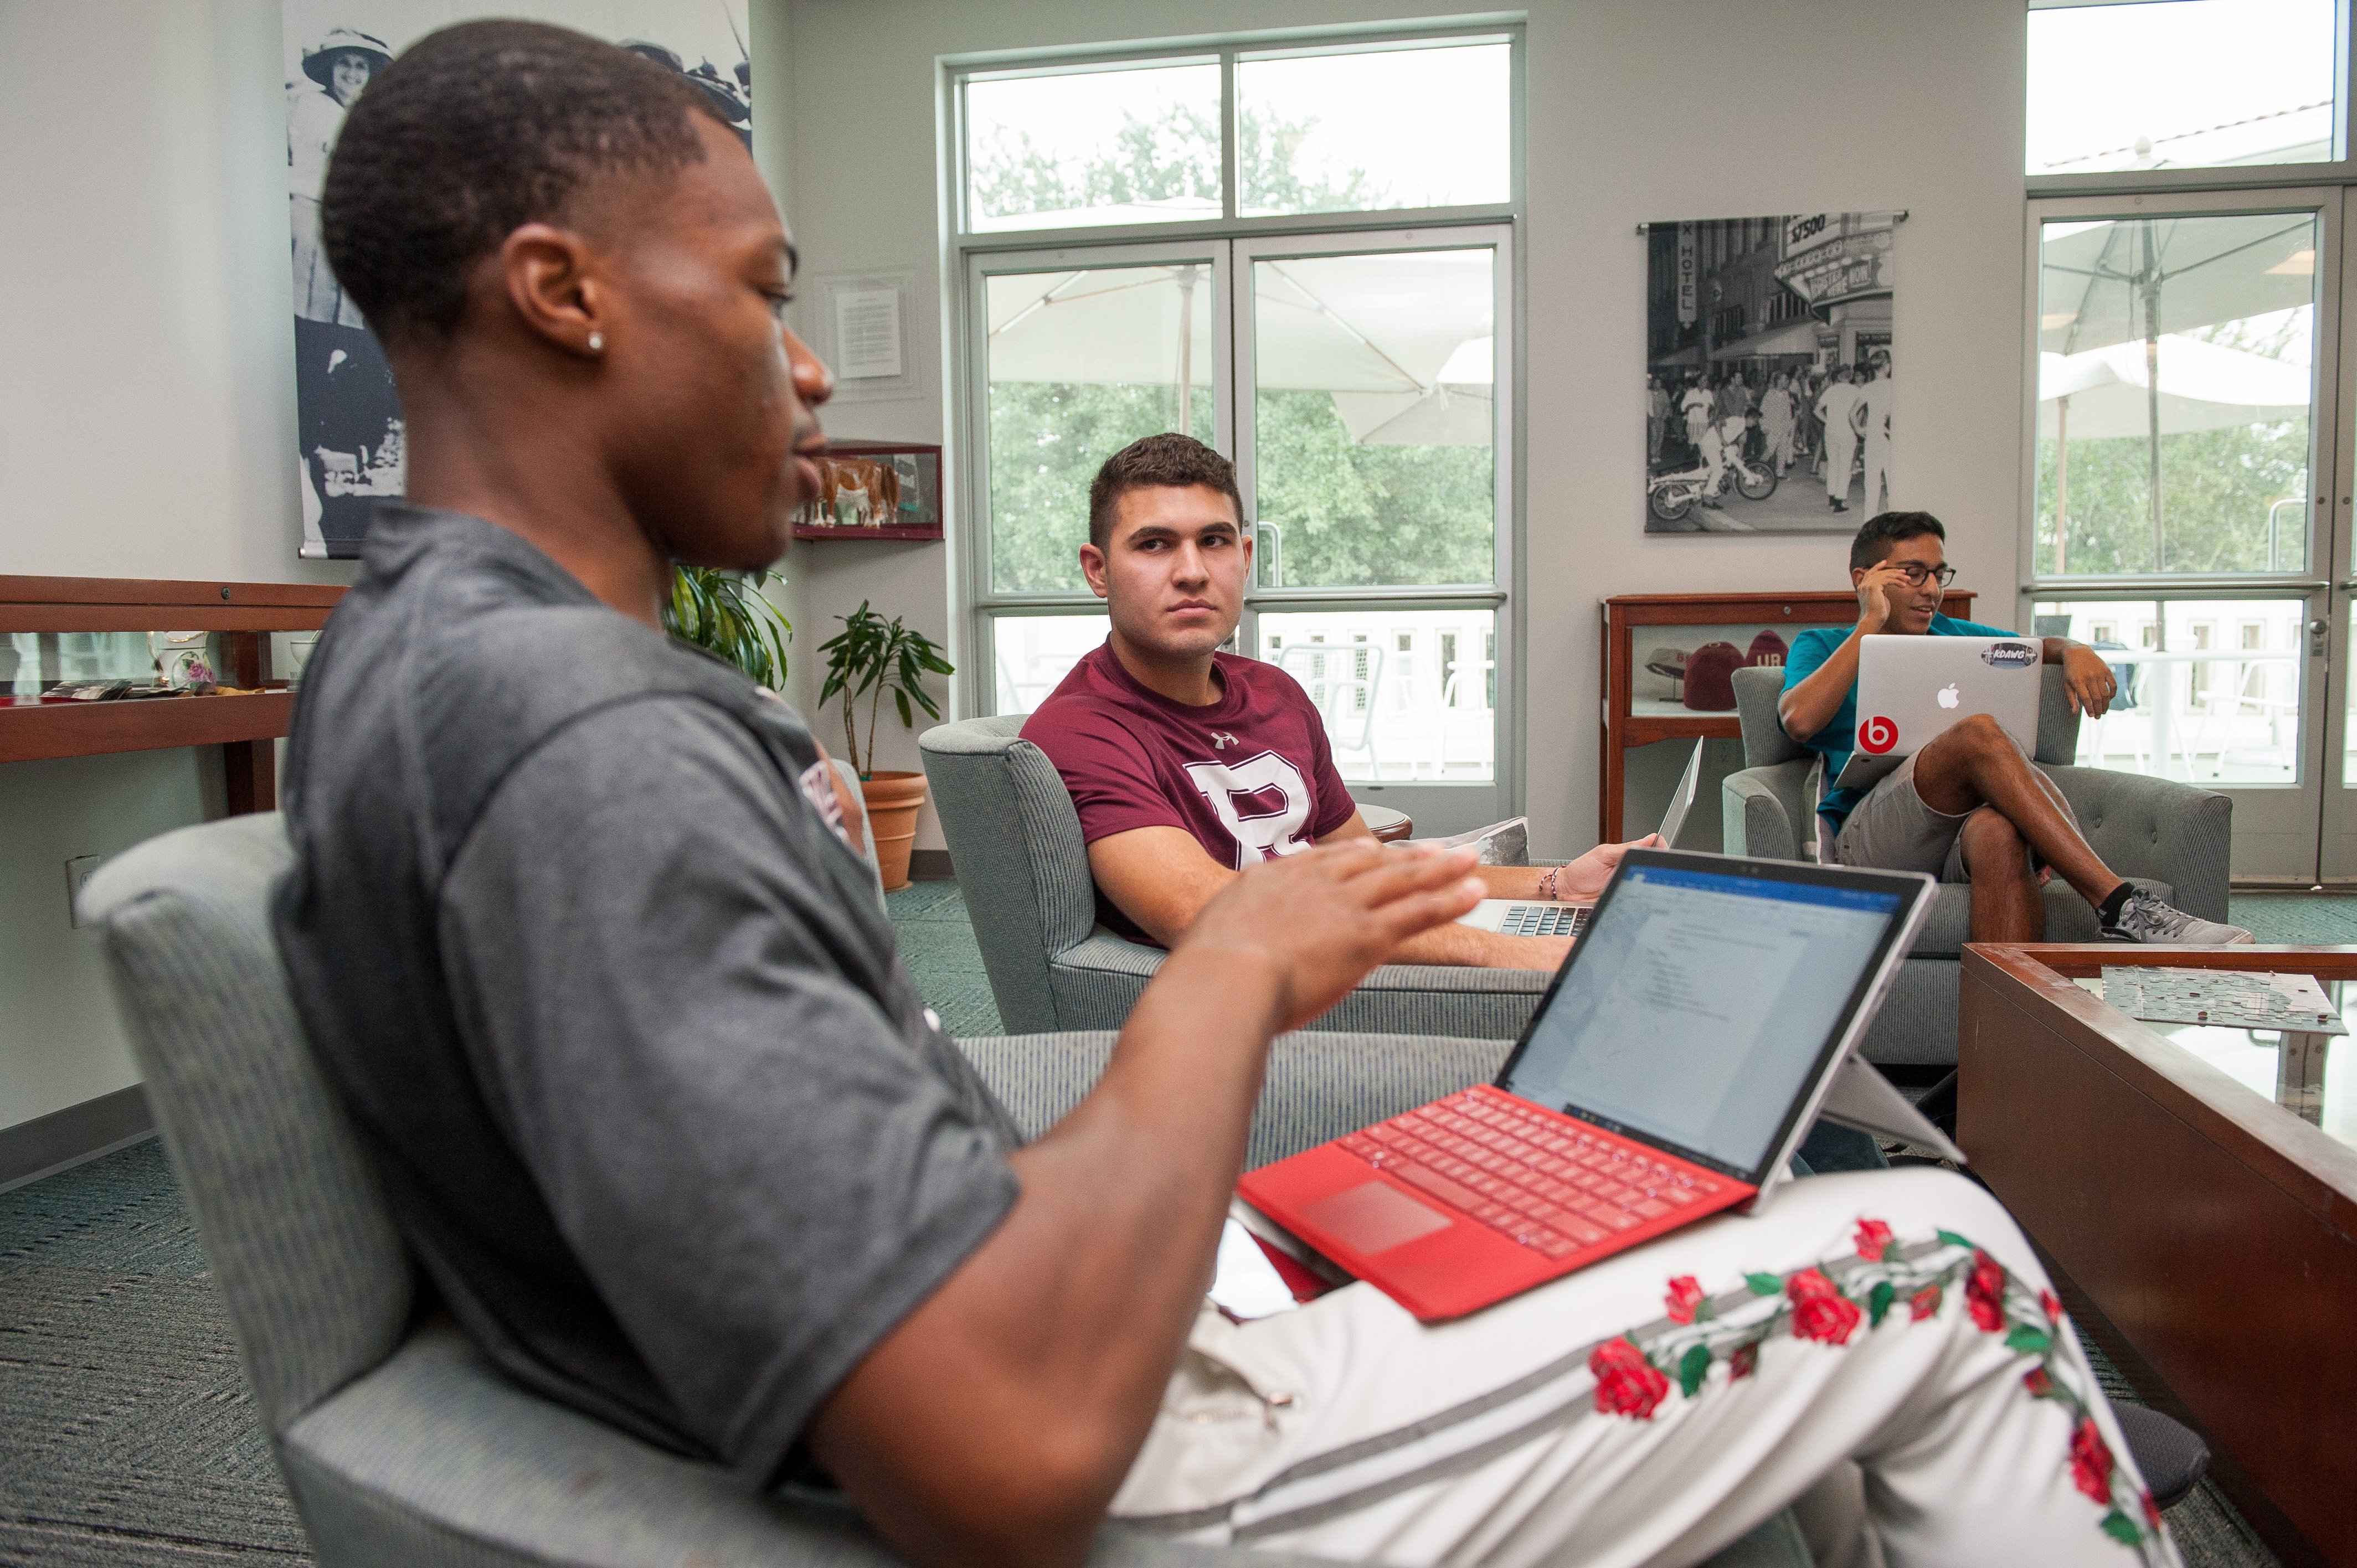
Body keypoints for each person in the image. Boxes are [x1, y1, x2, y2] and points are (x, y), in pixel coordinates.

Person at [276, 24, 2182, 1568]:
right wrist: (1234, 969)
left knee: (1693, 1207)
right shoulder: (576, 743)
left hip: (1096, 1286)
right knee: (1947, 1266)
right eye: (769, 291)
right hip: (1143, 1453)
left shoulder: (434, 663)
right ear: (559, 292)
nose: (803, 368)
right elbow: (1005, 1452)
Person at [1023, 435, 1649, 972]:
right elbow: (1204, 916)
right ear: (1097, 570)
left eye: (1213, 541)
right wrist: (1508, 952)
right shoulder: (1082, 728)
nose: (1191, 571)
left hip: (1345, 952)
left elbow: (1365, 867)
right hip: (1273, 994)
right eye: (1154, 545)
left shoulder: (1274, 693)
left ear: (1242, 558)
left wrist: (1556, 885)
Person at [1779, 510, 2250, 946]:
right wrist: (1870, 623)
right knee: (1976, 733)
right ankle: (2120, 905)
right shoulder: (1824, 644)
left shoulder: (1955, 637)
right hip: (1875, 838)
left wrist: (2073, 648)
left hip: (1958, 836)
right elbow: (1799, 720)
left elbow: (2032, 649)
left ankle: (2007, 1026)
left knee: (2000, 831)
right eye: (1913, 573)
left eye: (1939, 574)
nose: (1931, 589)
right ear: (1865, 579)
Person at [289, 27, 400, 545]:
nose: (352, 75)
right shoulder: (314, 111)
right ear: (330, 71)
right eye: (345, 66)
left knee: (366, 352)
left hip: (353, 240)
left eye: (361, 67)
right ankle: (315, 449)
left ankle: (359, 448)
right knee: (311, 347)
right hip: (312, 232)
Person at [1814, 367, 1865, 512]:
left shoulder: (1830, 390)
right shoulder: (1856, 391)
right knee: (1845, 467)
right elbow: (1859, 411)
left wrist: (1828, 421)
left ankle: (1831, 495)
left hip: (1831, 432)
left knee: (1833, 464)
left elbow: (1817, 410)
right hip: (1848, 432)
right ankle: (1839, 501)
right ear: (1850, 377)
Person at [1861, 353, 1894, 514]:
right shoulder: (1895, 386)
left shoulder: (1868, 388)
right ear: (1887, 366)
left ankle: (1869, 520)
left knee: (1872, 483)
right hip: (1889, 438)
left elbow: (1853, 413)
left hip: (1872, 437)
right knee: (1893, 482)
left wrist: (1860, 431)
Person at [1759, 372, 1797, 474]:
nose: (1787, 381)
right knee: (1770, 451)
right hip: (1772, 427)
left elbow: (1789, 412)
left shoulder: (1786, 394)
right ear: (1779, 381)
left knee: (1783, 450)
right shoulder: (1770, 394)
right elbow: (1762, 412)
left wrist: (1789, 428)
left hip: (1783, 428)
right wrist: (1763, 426)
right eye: (1785, 379)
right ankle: (1758, 470)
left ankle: (1780, 472)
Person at [1645, 374, 1669, 462]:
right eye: (1656, 383)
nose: (1658, 385)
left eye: (1660, 383)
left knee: (1660, 437)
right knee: (1654, 436)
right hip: (1652, 418)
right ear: (1653, 384)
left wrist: (1665, 416)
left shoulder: (1664, 393)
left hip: (1661, 419)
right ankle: (1653, 455)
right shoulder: (1649, 393)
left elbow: (1667, 405)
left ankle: (1658, 455)